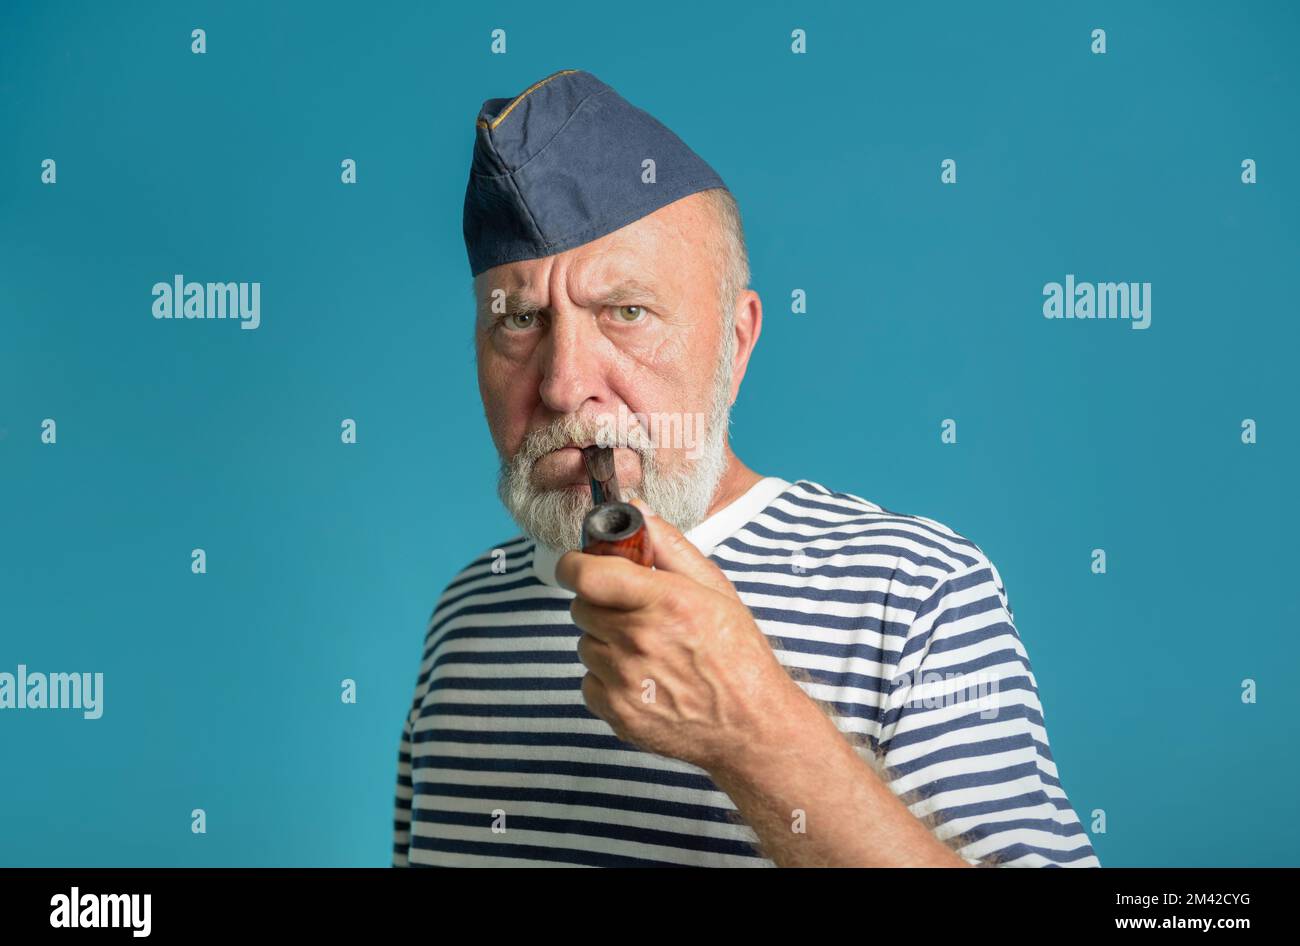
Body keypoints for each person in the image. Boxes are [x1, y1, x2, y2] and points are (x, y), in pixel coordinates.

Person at [393, 69, 1099, 867]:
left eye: (626, 311)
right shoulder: (464, 615)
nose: (563, 385)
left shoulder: (915, 595)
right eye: (520, 320)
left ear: (736, 343)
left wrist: (754, 730)